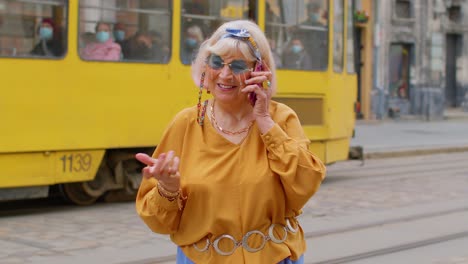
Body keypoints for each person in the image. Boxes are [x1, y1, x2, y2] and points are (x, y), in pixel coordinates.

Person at [135, 20, 326, 263]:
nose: (224, 75)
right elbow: (158, 221)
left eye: (237, 65)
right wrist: (168, 188)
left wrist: (265, 121)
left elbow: (306, 183)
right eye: (216, 62)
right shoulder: (185, 123)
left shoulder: (281, 118)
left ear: (259, 70)